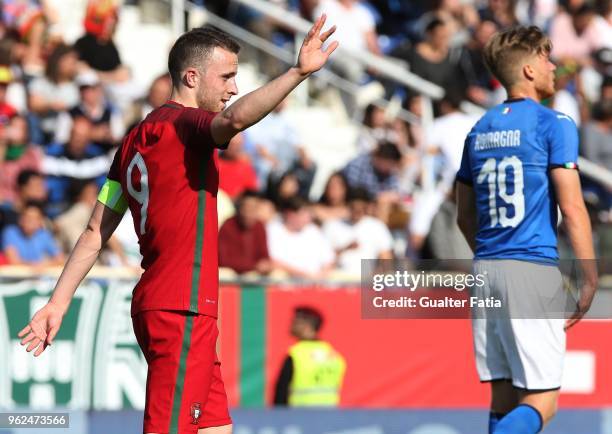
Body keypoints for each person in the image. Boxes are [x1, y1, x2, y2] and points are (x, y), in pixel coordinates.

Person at [17, 18, 338, 434]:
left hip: (167, 303)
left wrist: (58, 303)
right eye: (227, 76)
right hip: (180, 308)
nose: (233, 88)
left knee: (214, 429)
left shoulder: (135, 139)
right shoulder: (185, 127)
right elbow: (236, 120)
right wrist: (296, 73)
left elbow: (95, 231)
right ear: (192, 77)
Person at [456, 26, 598, 434]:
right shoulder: (554, 123)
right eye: (546, 58)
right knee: (543, 402)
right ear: (530, 71)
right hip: (531, 270)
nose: (554, 66)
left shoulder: (479, 128)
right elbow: (572, 207)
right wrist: (588, 276)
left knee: (502, 397)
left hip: (487, 270)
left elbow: (465, 215)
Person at [273, 306, 346, 406]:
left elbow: (281, 393)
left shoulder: (296, 355)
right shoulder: (334, 356)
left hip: (299, 416)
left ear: (307, 325)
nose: (291, 325)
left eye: (295, 322)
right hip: (329, 415)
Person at [218, 190, 272, 275]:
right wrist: (253, 266)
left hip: (253, 273)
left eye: (253, 208)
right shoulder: (228, 225)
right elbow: (223, 260)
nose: (248, 213)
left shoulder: (259, 226)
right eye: (246, 207)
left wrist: (265, 265)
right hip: (233, 274)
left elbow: (264, 256)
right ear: (240, 208)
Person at [2, 201, 64, 267]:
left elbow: (60, 259)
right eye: (27, 217)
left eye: (34, 218)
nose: (29, 221)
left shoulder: (44, 235)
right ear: (20, 219)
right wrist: (34, 265)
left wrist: (43, 265)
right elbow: (14, 261)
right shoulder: (10, 232)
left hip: (38, 275)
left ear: (40, 222)